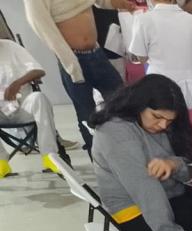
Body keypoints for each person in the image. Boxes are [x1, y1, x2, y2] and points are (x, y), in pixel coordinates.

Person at [88, 74, 192, 231]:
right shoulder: (115, 131)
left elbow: (189, 170)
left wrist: (173, 164)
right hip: (133, 209)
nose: (162, 125)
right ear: (139, 104)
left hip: (166, 193)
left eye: (169, 120)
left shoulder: (152, 123)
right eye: (157, 117)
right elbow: (144, 188)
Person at [22, 0, 133, 152]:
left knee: (123, 104)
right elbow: (40, 25)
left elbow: (101, 1)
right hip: (72, 60)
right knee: (87, 115)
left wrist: (120, 4)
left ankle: (129, 150)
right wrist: (68, 60)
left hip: (97, 53)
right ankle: (98, 160)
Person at [0, 38, 62, 177]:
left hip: (23, 107)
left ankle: (49, 156)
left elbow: (38, 71)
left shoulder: (10, 47)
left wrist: (17, 83)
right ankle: (1, 162)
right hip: (1, 113)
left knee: (39, 98)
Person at [127, 0, 192, 108]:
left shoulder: (143, 19)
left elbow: (141, 57)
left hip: (158, 85)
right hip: (191, 87)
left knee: (159, 116)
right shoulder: (191, 20)